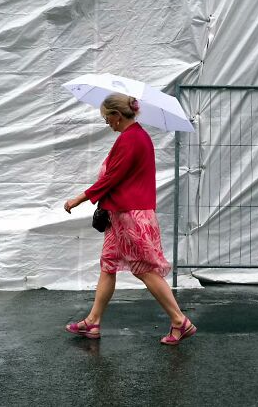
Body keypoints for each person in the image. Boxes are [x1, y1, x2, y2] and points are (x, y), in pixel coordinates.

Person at [63, 93, 196, 345]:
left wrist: (78, 198)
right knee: (108, 264)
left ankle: (180, 321)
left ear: (116, 115)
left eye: (106, 119)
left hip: (131, 217)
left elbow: (111, 178)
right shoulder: (137, 136)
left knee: (144, 270)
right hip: (122, 215)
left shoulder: (131, 139)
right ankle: (93, 322)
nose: (107, 124)